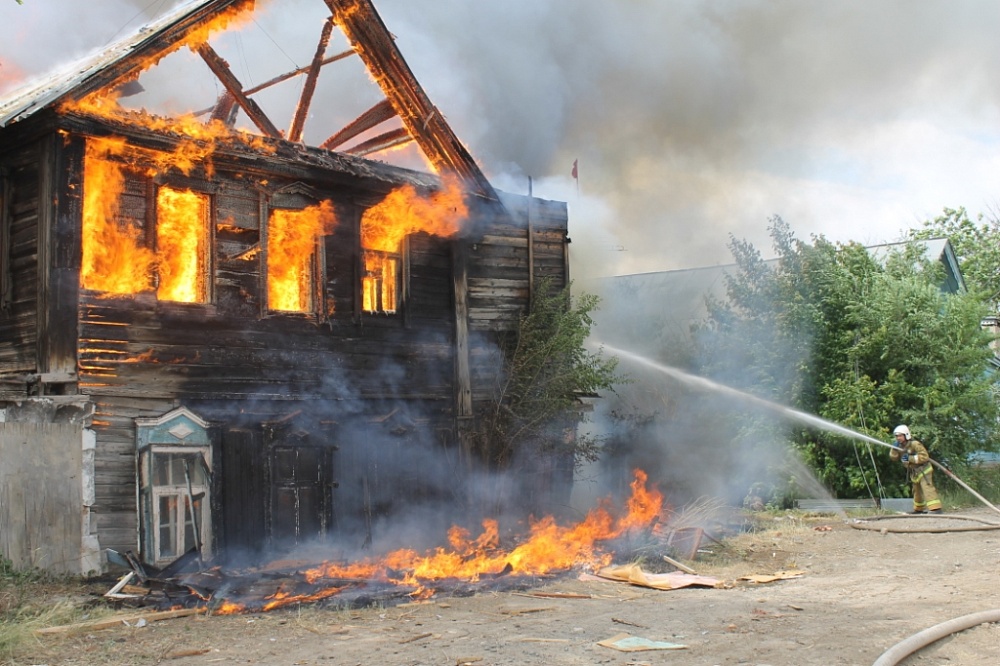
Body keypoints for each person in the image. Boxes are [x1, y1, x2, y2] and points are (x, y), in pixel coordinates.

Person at [889, 425, 942, 514]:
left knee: (927, 488)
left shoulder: (915, 444)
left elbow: (925, 457)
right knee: (916, 491)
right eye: (897, 436)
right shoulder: (899, 446)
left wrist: (910, 458)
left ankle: (936, 509)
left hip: (924, 470)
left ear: (906, 435)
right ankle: (918, 509)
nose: (898, 438)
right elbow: (893, 458)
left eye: (900, 436)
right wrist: (894, 450)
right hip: (914, 472)